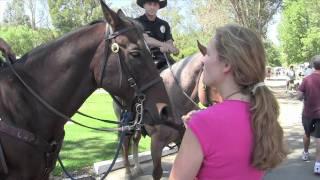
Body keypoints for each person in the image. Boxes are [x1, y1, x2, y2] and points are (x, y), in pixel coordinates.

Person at [169, 24, 287, 180]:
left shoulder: (203, 123)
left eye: (208, 54)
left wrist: (199, 129)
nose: (203, 59)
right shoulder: (261, 113)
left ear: (226, 65)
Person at [136, 0, 179, 71]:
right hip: (146, 61)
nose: (152, 7)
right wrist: (164, 45)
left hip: (166, 60)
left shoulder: (164, 24)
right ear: (144, 5)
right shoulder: (137, 22)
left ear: (158, 6)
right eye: (149, 4)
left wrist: (169, 48)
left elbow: (169, 42)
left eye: (155, 4)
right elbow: (146, 40)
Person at [297, 55, 320, 174]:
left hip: (308, 113)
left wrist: (302, 96)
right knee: (319, 138)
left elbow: (299, 96)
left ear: (312, 65)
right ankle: (318, 164)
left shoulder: (307, 79)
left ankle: (305, 153)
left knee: (307, 134)